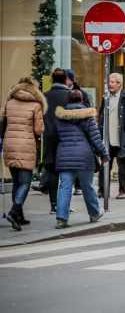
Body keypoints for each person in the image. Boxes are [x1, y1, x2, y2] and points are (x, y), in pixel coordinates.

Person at [54, 90, 108, 228]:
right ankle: (94, 213)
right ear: (82, 100)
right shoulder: (88, 115)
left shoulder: (60, 116)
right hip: (84, 157)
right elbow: (96, 138)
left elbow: (55, 137)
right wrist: (104, 154)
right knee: (87, 187)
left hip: (65, 156)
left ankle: (61, 218)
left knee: (64, 187)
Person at [0, 77, 46, 231]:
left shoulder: (9, 102)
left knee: (16, 182)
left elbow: (3, 122)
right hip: (26, 145)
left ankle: (19, 216)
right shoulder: (35, 105)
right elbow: (39, 129)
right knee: (25, 183)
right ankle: (14, 212)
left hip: (10, 143)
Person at [98, 73, 125, 200]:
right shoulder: (106, 97)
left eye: (113, 82)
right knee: (104, 165)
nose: (110, 84)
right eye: (110, 81)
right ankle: (102, 190)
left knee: (122, 167)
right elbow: (101, 116)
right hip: (107, 139)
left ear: (119, 84)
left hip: (121, 139)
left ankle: (123, 191)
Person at [43, 69, 71, 213]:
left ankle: (54, 204)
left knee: (52, 171)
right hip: (66, 137)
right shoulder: (69, 95)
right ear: (65, 79)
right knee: (66, 172)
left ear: (52, 80)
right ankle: (64, 205)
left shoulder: (45, 96)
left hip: (49, 137)